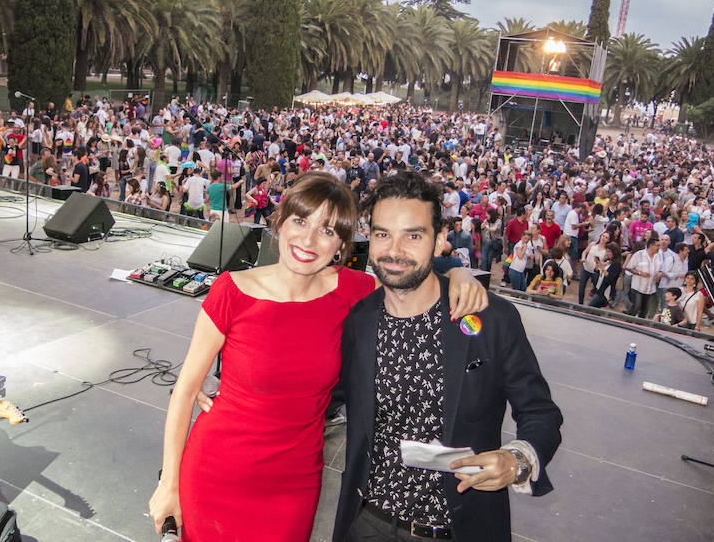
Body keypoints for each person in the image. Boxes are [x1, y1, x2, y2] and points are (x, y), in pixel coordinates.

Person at [148, 173, 489, 541]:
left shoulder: (352, 291)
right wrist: (169, 484)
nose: (308, 240)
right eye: (300, 221)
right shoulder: (231, 290)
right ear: (280, 222)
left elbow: (408, 273)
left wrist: (457, 271)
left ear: (341, 245)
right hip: (216, 472)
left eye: (327, 231)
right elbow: (184, 392)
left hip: (293, 486)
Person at [333, 170, 562, 542]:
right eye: (382, 234)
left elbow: (539, 412)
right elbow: (320, 395)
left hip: (459, 529)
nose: (394, 250)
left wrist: (517, 460)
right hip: (367, 523)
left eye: (413, 235)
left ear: (440, 239)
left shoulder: (493, 320)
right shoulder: (357, 322)